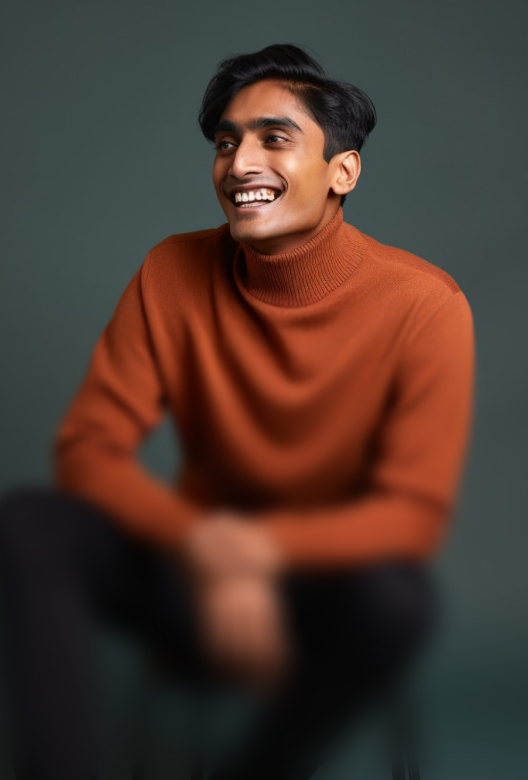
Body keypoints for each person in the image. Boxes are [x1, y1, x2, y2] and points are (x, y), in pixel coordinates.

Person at [0, 43, 475, 780]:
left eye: (274, 139)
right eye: (227, 143)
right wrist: (204, 545)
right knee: (28, 525)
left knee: (396, 601)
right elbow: (89, 448)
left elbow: (412, 513)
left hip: (320, 592)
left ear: (344, 171)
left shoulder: (425, 305)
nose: (240, 163)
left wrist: (259, 550)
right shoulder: (171, 270)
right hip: (187, 574)